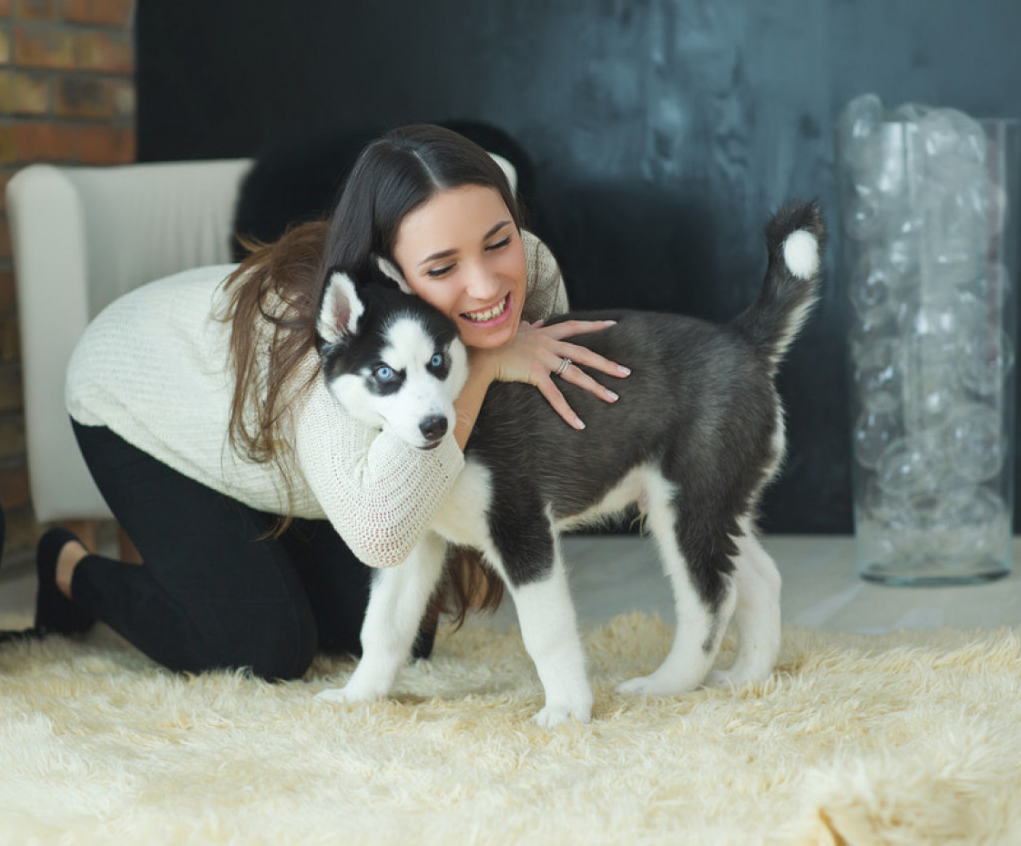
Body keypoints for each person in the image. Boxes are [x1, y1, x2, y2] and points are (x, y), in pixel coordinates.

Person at [36, 124, 630, 680]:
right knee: (262, 646)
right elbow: (381, 535)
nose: (487, 287)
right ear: (391, 275)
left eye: (498, 241)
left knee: (400, 636)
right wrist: (481, 368)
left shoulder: (532, 273)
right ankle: (67, 569)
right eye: (443, 266)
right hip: (137, 388)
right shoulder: (329, 347)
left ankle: (259, 563)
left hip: (276, 447)